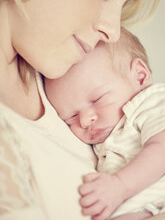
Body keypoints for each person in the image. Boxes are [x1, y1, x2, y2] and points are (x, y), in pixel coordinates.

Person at [0, 0, 165, 219]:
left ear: (140, 76)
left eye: (123, 3)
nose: (114, 31)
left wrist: (121, 187)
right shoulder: (63, 87)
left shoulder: (142, 103)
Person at [45, 27, 165, 220]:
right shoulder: (101, 142)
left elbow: (161, 150)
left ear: (140, 77)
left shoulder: (150, 102)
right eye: (71, 117)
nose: (84, 120)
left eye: (97, 99)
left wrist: (120, 185)